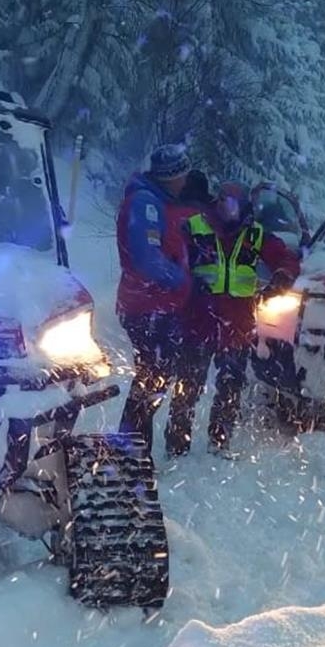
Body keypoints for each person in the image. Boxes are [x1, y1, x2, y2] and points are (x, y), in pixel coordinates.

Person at [172, 182, 300, 457]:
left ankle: (219, 443)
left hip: (237, 321)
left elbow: (287, 257)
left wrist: (282, 277)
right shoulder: (196, 226)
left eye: (230, 202)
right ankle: (177, 445)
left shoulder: (254, 234)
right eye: (220, 200)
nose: (224, 207)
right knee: (188, 384)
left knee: (231, 384)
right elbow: (172, 254)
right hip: (199, 317)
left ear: (243, 206)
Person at [115, 144, 195, 450]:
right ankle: (130, 449)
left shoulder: (157, 202)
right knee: (152, 379)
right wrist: (183, 281)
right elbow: (147, 259)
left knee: (154, 378)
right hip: (147, 306)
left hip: (154, 305)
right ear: (170, 176)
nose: (184, 182)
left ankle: (133, 448)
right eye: (182, 176)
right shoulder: (145, 204)